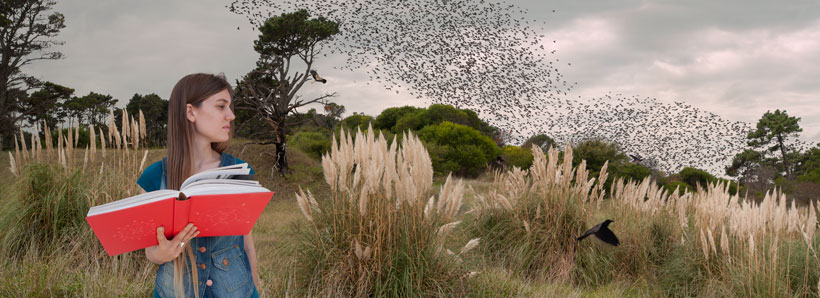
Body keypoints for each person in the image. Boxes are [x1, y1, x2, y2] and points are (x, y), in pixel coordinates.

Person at [136, 73, 261, 297]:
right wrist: (163, 254)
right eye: (221, 106)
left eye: (230, 107)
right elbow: (150, 252)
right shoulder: (154, 177)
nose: (231, 116)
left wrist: (256, 289)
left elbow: (246, 242)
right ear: (191, 112)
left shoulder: (239, 171)